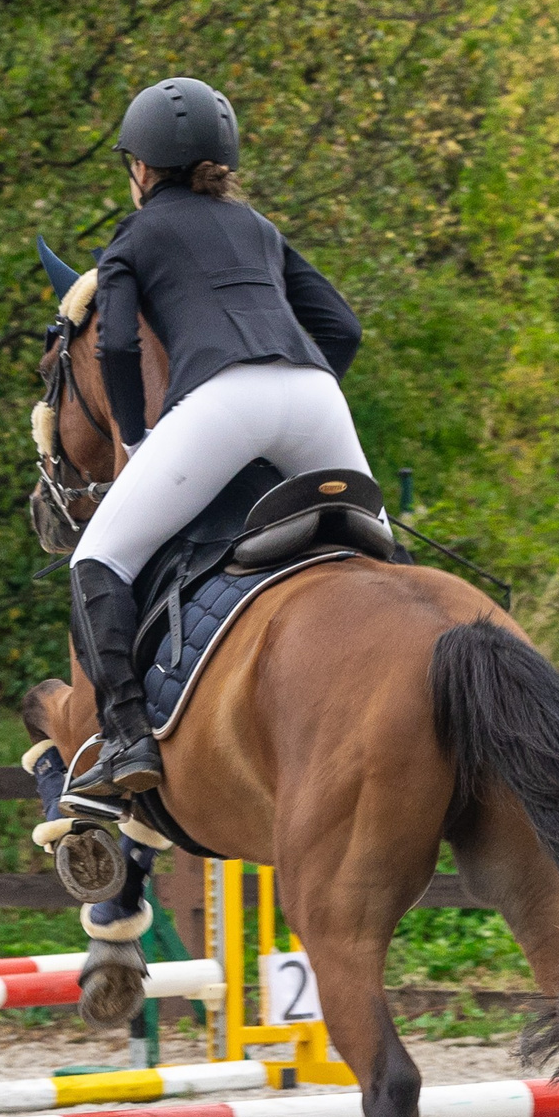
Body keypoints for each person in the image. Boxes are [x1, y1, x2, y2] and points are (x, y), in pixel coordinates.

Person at [62, 75, 370, 808]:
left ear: (140, 167)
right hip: (316, 396)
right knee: (382, 555)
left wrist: (136, 439)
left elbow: (113, 350)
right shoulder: (258, 227)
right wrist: (300, 391)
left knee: (97, 556)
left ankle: (128, 737)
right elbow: (343, 329)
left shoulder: (134, 235)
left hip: (221, 403)